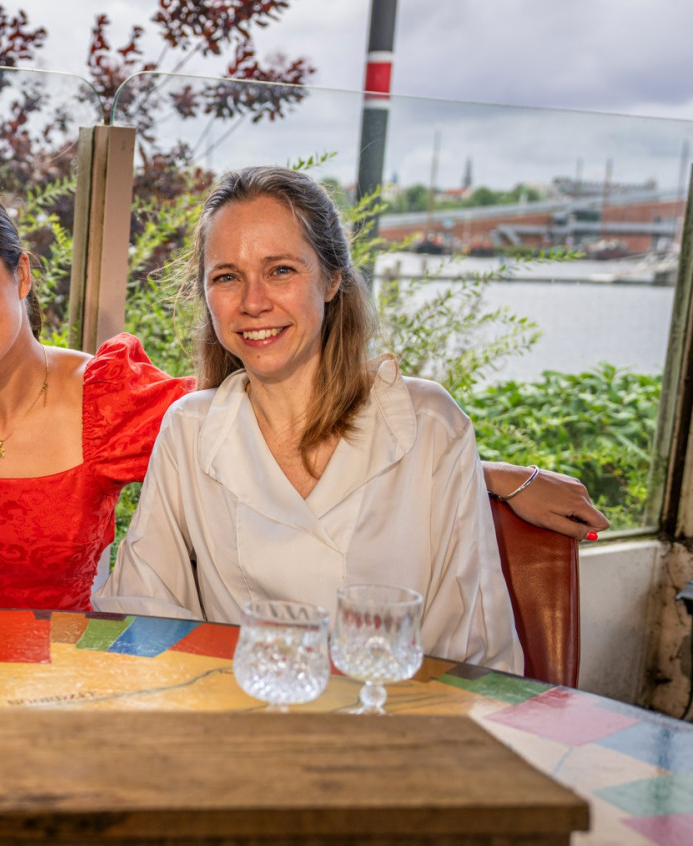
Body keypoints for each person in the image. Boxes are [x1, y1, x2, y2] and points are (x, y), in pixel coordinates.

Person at [0, 182, 606, 614]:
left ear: (24, 276)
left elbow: (282, 413)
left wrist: (473, 466)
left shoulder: (111, 403)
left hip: (76, 670)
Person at [102, 165, 527, 672]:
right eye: (227, 277)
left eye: (281, 270)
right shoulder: (189, 429)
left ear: (331, 279)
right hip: (235, 724)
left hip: (394, 726)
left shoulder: (431, 425)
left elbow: (473, 645)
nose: (253, 302)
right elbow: (144, 608)